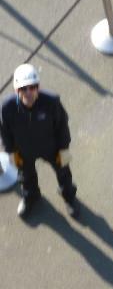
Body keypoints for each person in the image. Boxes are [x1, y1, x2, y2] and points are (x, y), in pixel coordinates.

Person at [0, 63, 79, 219]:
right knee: (26, 177)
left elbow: (62, 126)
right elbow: (5, 132)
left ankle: (69, 196)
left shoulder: (52, 102)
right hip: (23, 151)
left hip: (52, 147)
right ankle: (32, 196)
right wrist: (10, 152)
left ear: (38, 87)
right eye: (23, 89)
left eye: (32, 87)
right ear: (16, 90)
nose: (29, 92)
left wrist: (64, 148)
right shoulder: (7, 108)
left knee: (64, 172)